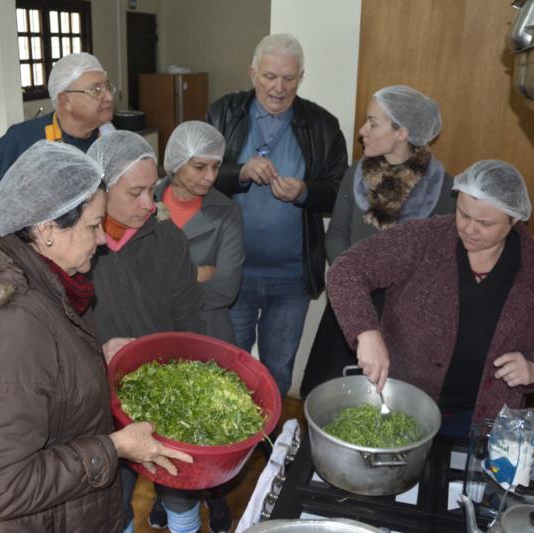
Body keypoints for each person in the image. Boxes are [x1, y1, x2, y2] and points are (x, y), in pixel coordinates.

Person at [0, 141, 192, 532]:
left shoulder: (46, 285)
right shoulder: (6, 327)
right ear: (46, 231)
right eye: (93, 226)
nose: (101, 240)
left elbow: (46, 381)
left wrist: (97, 353)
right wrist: (115, 447)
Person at [327, 160, 534, 437]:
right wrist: (366, 332)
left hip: (479, 417)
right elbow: (347, 270)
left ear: (514, 219)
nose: (470, 229)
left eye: (485, 223)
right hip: (402, 403)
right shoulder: (424, 239)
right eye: (463, 214)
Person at [206, 33, 348, 396]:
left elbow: (337, 191)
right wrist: (238, 172)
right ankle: (231, 448)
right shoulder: (223, 113)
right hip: (231, 272)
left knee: (277, 371)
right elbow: (192, 175)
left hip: (291, 278)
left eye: (289, 78)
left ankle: (269, 448)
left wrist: (304, 192)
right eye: (270, 77)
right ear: (253, 74)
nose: (279, 88)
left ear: (301, 78)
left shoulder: (322, 124)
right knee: (226, 371)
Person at [86, 131, 211, 533]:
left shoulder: (166, 238)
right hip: (100, 395)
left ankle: (184, 522)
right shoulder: (80, 248)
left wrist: (191, 375)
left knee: (177, 484)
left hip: (164, 389)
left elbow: (189, 314)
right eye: (135, 192)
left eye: (151, 190)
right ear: (100, 190)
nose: (148, 204)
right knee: (111, 497)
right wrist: (98, 352)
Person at [300, 85, 455, 396]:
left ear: (402, 132)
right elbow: (338, 234)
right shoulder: (355, 173)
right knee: (329, 395)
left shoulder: (442, 188)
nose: (362, 131)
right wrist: (355, 283)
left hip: (404, 316)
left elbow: (441, 259)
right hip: (351, 303)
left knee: (385, 402)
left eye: (373, 123)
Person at [0, 52, 116, 253]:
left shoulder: (112, 141)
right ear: (65, 100)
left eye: (107, 86)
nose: (109, 96)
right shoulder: (22, 141)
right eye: (96, 89)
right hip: (36, 268)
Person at [157, 120, 244, 343]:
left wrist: (158, 288)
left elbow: (226, 289)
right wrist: (197, 274)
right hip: (153, 331)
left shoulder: (227, 212)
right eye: (199, 167)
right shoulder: (145, 202)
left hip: (207, 333)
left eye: (215, 167)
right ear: (177, 163)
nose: (210, 177)